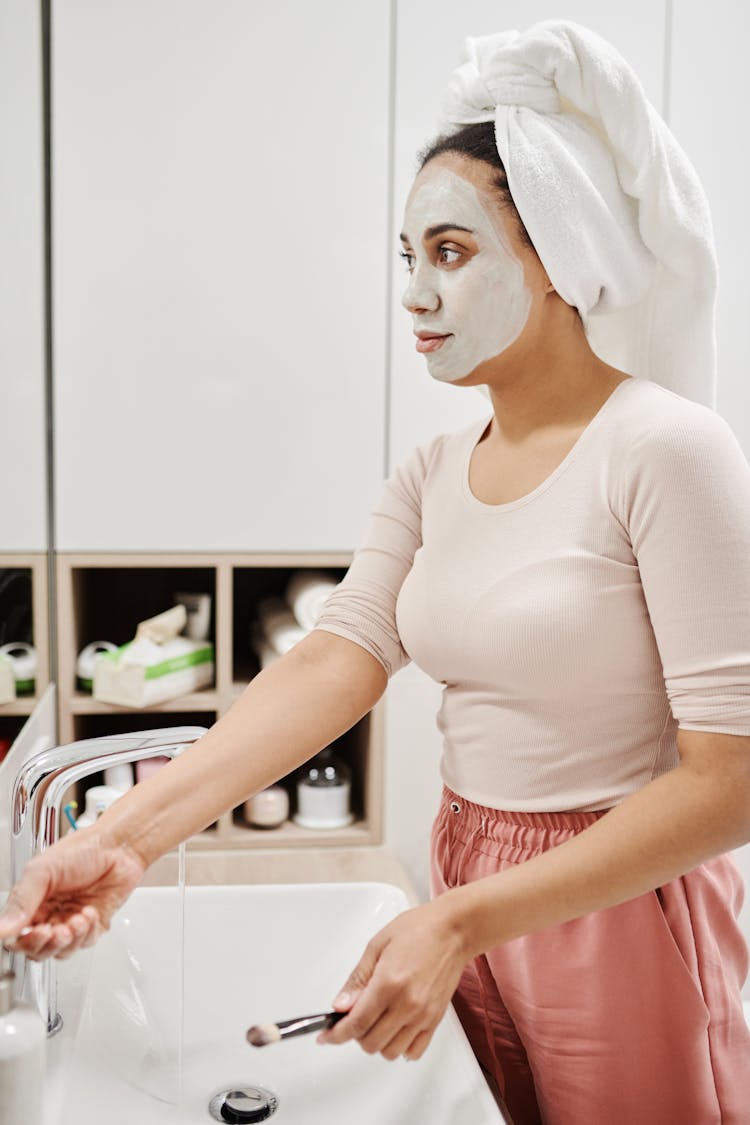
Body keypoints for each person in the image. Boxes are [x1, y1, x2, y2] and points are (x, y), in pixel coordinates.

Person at [2, 19, 750, 1125]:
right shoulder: (438, 467)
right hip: (467, 877)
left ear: (559, 255)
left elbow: (730, 778)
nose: (413, 292)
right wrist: (119, 842)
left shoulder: (664, 449)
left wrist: (464, 919)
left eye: (451, 252)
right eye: (409, 257)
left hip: (616, 909)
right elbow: (336, 662)